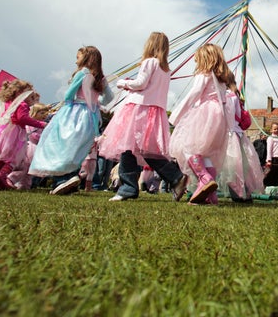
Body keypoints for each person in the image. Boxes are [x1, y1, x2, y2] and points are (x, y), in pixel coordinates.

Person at [97, 33, 188, 202]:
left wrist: (123, 83)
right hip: (155, 111)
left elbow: (141, 84)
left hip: (139, 110)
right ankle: (175, 177)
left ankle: (128, 188)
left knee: (128, 147)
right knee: (146, 150)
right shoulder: (165, 69)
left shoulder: (149, 62)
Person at [29, 46, 113, 195]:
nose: (76, 61)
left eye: (78, 57)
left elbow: (69, 95)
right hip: (91, 117)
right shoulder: (101, 78)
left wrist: (69, 106)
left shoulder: (82, 73)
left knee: (61, 146)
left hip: (74, 113)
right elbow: (109, 98)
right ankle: (70, 181)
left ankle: (63, 180)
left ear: (86, 58)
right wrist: (96, 102)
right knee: (76, 149)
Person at [169, 43, 231, 205]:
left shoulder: (203, 74)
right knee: (206, 154)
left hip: (205, 113)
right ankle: (211, 196)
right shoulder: (221, 80)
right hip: (220, 117)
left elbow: (194, 93)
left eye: (197, 57)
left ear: (204, 58)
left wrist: (176, 114)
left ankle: (205, 178)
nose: (194, 60)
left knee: (188, 148)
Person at [0, 80, 44, 191]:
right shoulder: (22, 104)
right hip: (15, 134)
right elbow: (22, 118)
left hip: (1, 133)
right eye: (28, 93)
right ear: (19, 93)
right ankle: (1, 176)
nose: (30, 95)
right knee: (12, 158)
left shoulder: (7, 103)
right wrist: (41, 124)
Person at [218, 70, 264, 203]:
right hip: (237, 135)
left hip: (231, 135)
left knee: (234, 167)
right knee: (240, 167)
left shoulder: (228, 96)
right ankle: (244, 193)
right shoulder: (235, 96)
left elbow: (227, 116)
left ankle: (239, 194)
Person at [263, 122, 278, 196]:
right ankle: (262, 191)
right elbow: (269, 150)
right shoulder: (270, 138)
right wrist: (269, 160)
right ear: (271, 130)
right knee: (267, 176)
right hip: (273, 160)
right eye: (274, 129)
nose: (276, 130)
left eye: (277, 129)